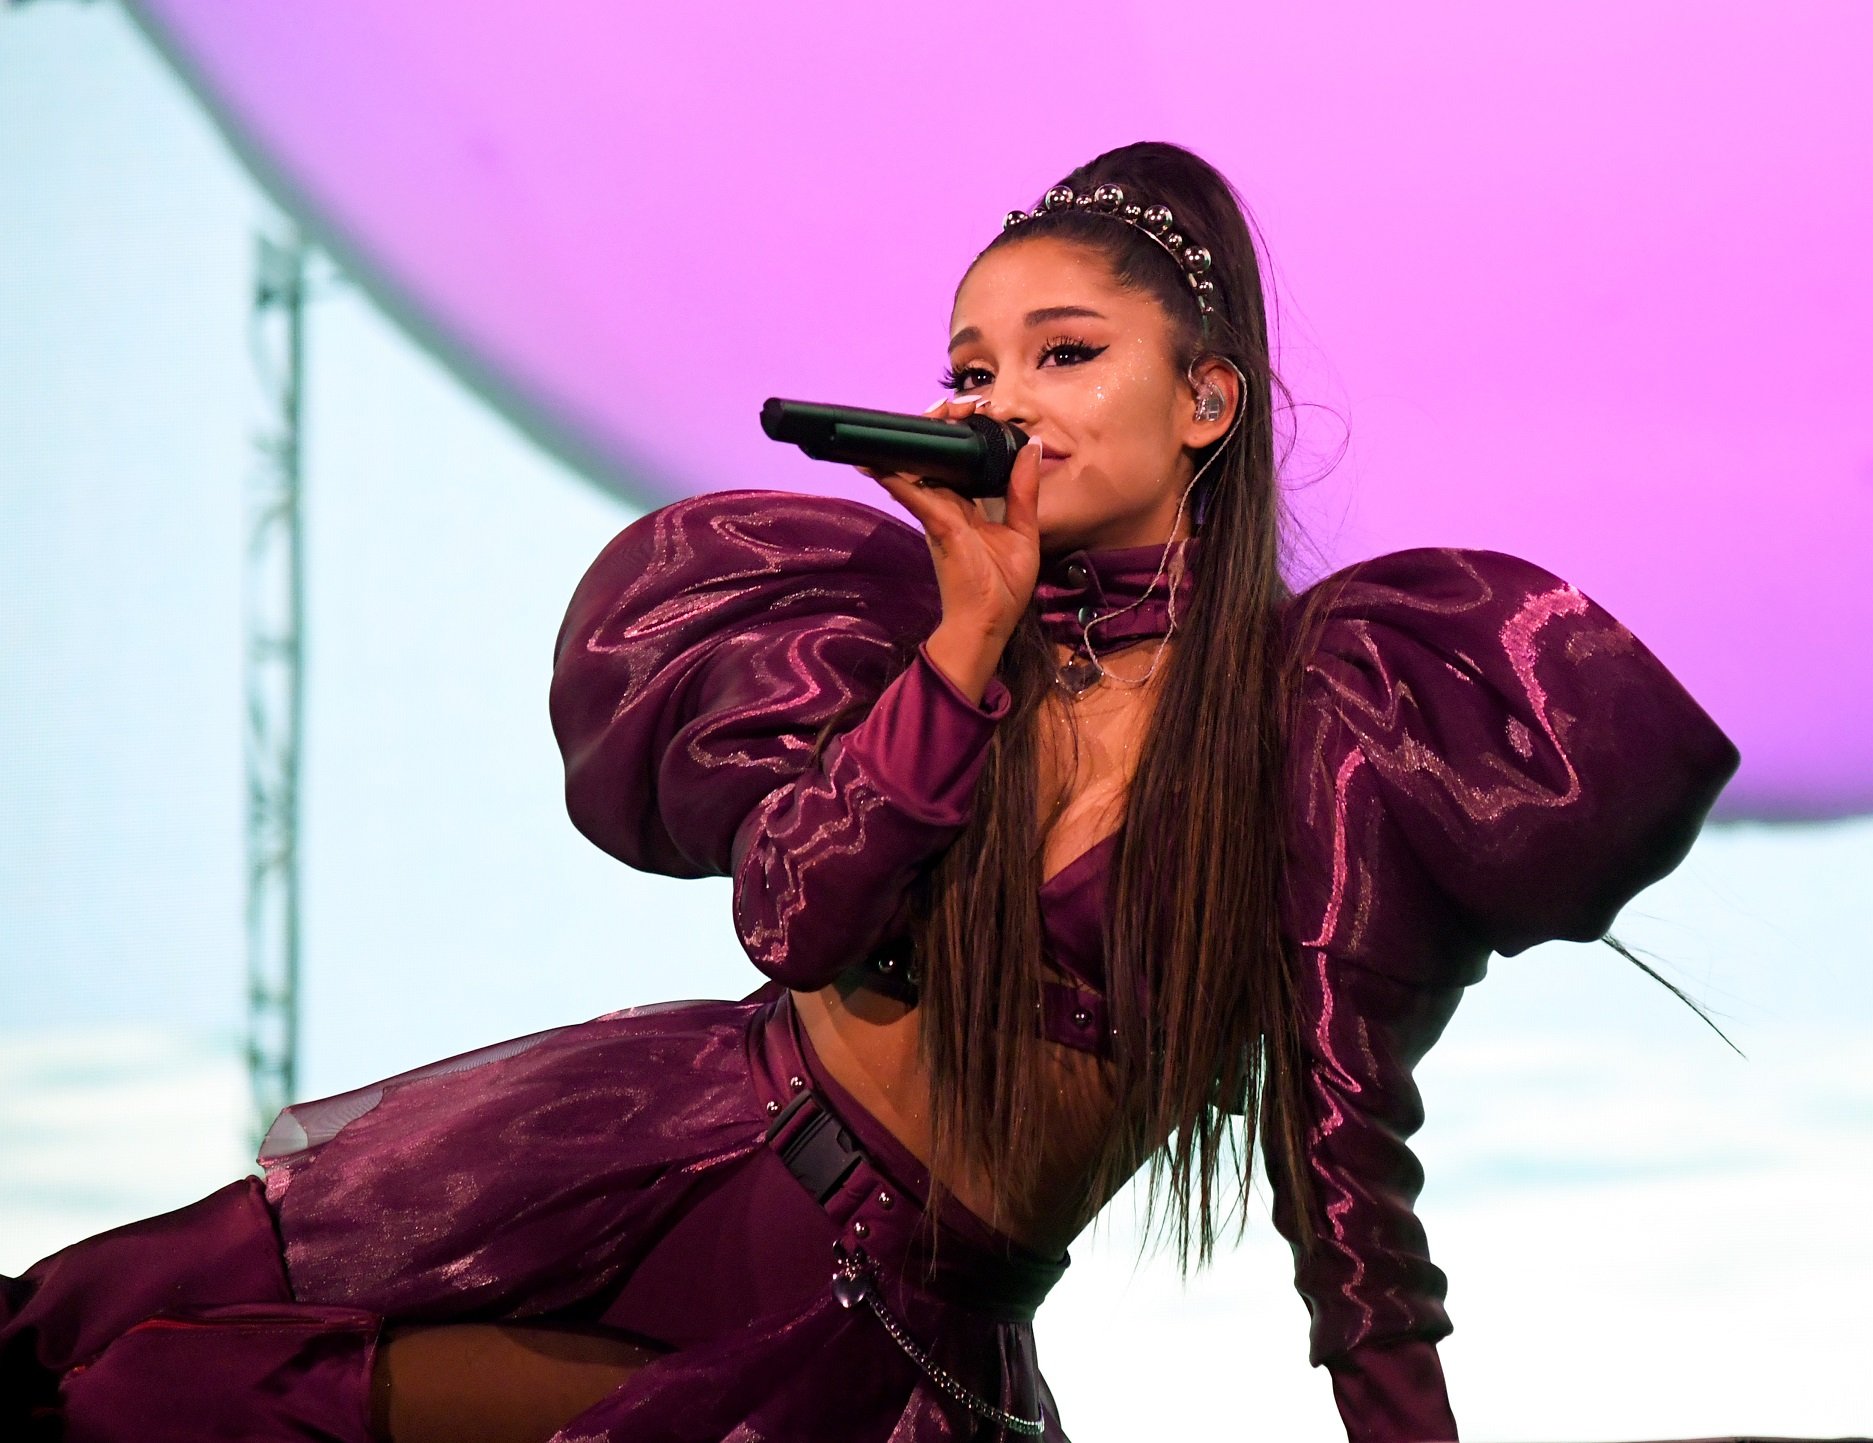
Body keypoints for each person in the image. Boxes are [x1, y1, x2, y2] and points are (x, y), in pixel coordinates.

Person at [0, 140, 1739, 1443]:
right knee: (97, 1342)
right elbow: (793, 919)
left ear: (1208, 399)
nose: (1001, 402)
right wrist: (970, 638)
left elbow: (1344, 1177)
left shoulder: (1327, 725)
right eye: (976, 369)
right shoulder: (916, 643)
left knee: (188, 1411)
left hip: (881, 1318)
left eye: (1066, 355)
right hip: (643, 1144)